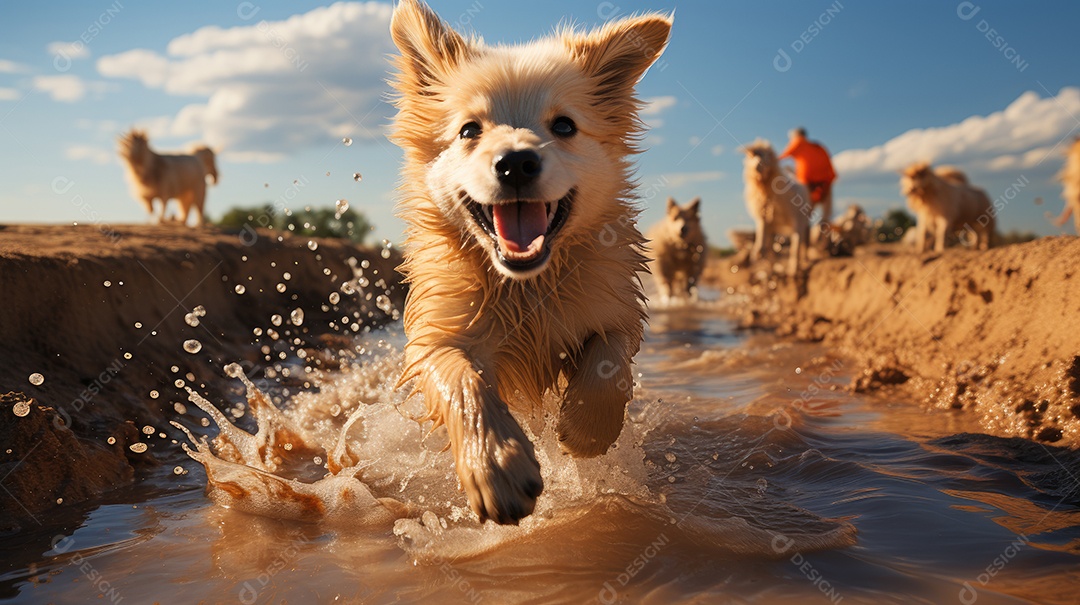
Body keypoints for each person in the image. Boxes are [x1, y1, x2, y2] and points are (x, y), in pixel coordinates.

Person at [779, 127, 836, 225]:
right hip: (826, 181)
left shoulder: (799, 142)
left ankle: (805, 236)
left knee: (805, 212)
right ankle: (823, 236)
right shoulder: (818, 146)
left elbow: (782, 157)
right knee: (826, 213)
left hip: (809, 182)